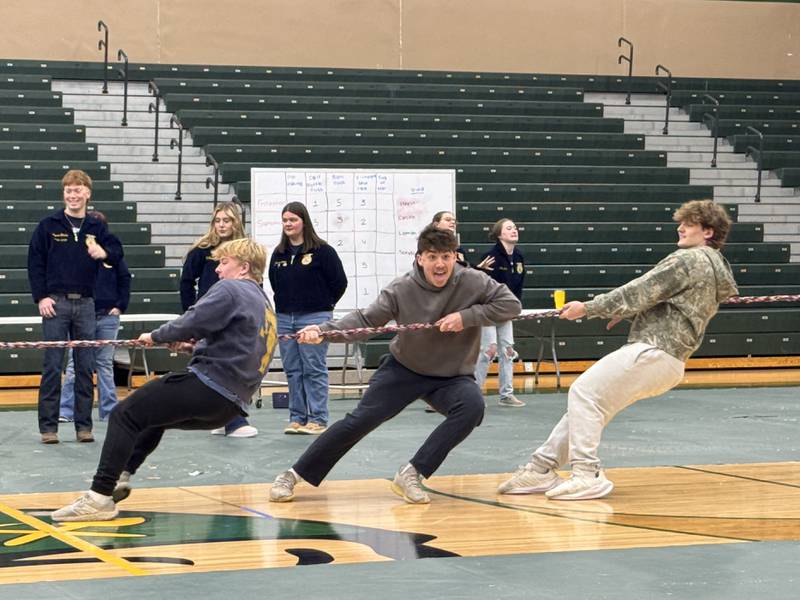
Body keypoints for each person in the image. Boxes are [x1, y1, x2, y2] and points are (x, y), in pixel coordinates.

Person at [497, 199, 738, 501]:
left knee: (584, 392)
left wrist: (588, 307)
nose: (680, 227)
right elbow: (668, 300)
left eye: (688, 224)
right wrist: (629, 311)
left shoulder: (690, 259)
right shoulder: (714, 265)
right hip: (669, 359)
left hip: (654, 349)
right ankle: (542, 467)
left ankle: (587, 474)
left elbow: (641, 289)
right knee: (589, 407)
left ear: (708, 231)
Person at [268, 225, 521, 505]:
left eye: (446, 257)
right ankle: (293, 475)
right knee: (360, 421)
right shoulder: (402, 288)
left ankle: (412, 472)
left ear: (455, 258)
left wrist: (468, 316)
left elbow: (511, 305)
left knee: (472, 407)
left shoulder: (474, 281)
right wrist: (324, 331)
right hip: (405, 368)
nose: (440, 264)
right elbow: (366, 321)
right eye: (432, 256)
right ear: (420, 258)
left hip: (451, 376)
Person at [52, 238, 277, 522]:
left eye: (224, 262)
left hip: (210, 389)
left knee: (124, 414)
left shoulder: (232, 288)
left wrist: (157, 336)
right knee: (152, 417)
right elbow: (240, 347)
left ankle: (98, 497)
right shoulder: (263, 302)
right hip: (229, 406)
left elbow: (193, 319)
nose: (218, 270)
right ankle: (120, 475)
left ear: (244, 268)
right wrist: (192, 348)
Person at [27, 170, 123, 444]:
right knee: (53, 366)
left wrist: (103, 253)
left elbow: (117, 253)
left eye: (78, 190)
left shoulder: (97, 227)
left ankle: (84, 427)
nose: (73, 195)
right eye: (69, 190)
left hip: (87, 305)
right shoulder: (49, 225)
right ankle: (48, 428)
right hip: (55, 304)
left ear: (87, 194)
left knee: (85, 367)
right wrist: (41, 297)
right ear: (64, 194)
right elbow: (35, 263)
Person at [268, 201, 347, 435]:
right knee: (293, 369)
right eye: (285, 220)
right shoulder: (279, 253)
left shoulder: (323, 251)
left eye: (292, 220)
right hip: (284, 318)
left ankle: (318, 419)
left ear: (304, 221)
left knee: (314, 368)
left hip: (314, 317)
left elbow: (339, 282)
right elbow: (274, 282)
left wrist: (324, 306)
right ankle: (297, 418)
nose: (288, 224)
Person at [180, 201, 258, 438]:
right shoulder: (202, 250)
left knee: (235, 364)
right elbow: (185, 282)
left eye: (227, 220)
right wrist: (191, 313)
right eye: (218, 220)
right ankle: (230, 420)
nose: (222, 225)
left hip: (238, 317)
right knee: (213, 365)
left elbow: (256, 282)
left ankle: (228, 418)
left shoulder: (246, 250)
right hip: (210, 315)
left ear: (237, 222)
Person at [59, 211, 131, 423]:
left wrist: (120, 306)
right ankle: (66, 410)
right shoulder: (76, 253)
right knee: (74, 363)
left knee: (105, 364)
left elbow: (125, 279)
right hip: (83, 314)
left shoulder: (112, 254)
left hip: (107, 315)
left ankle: (109, 411)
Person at [473, 219, 526, 407]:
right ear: (499, 234)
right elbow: (479, 283)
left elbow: (518, 286)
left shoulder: (519, 257)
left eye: (515, 227)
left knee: (508, 351)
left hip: (506, 310)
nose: (514, 230)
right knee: (489, 350)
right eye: (509, 228)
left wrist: (514, 307)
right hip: (488, 309)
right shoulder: (491, 256)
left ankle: (506, 394)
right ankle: (474, 393)